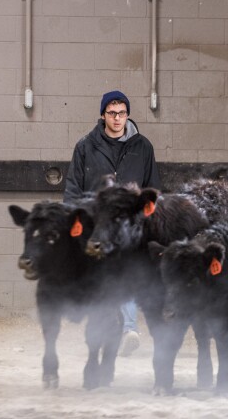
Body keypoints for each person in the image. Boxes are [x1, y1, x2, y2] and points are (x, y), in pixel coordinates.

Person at [63, 90, 160, 357]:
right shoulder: (86, 146)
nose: (117, 118)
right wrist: (72, 220)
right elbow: (73, 185)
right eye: (112, 113)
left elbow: (153, 186)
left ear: (127, 115)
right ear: (103, 114)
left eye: (122, 113)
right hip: (97, 222)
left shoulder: (143, 147)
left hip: (129, 224)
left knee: (124, 274)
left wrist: (150, 221)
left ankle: (129, 329)